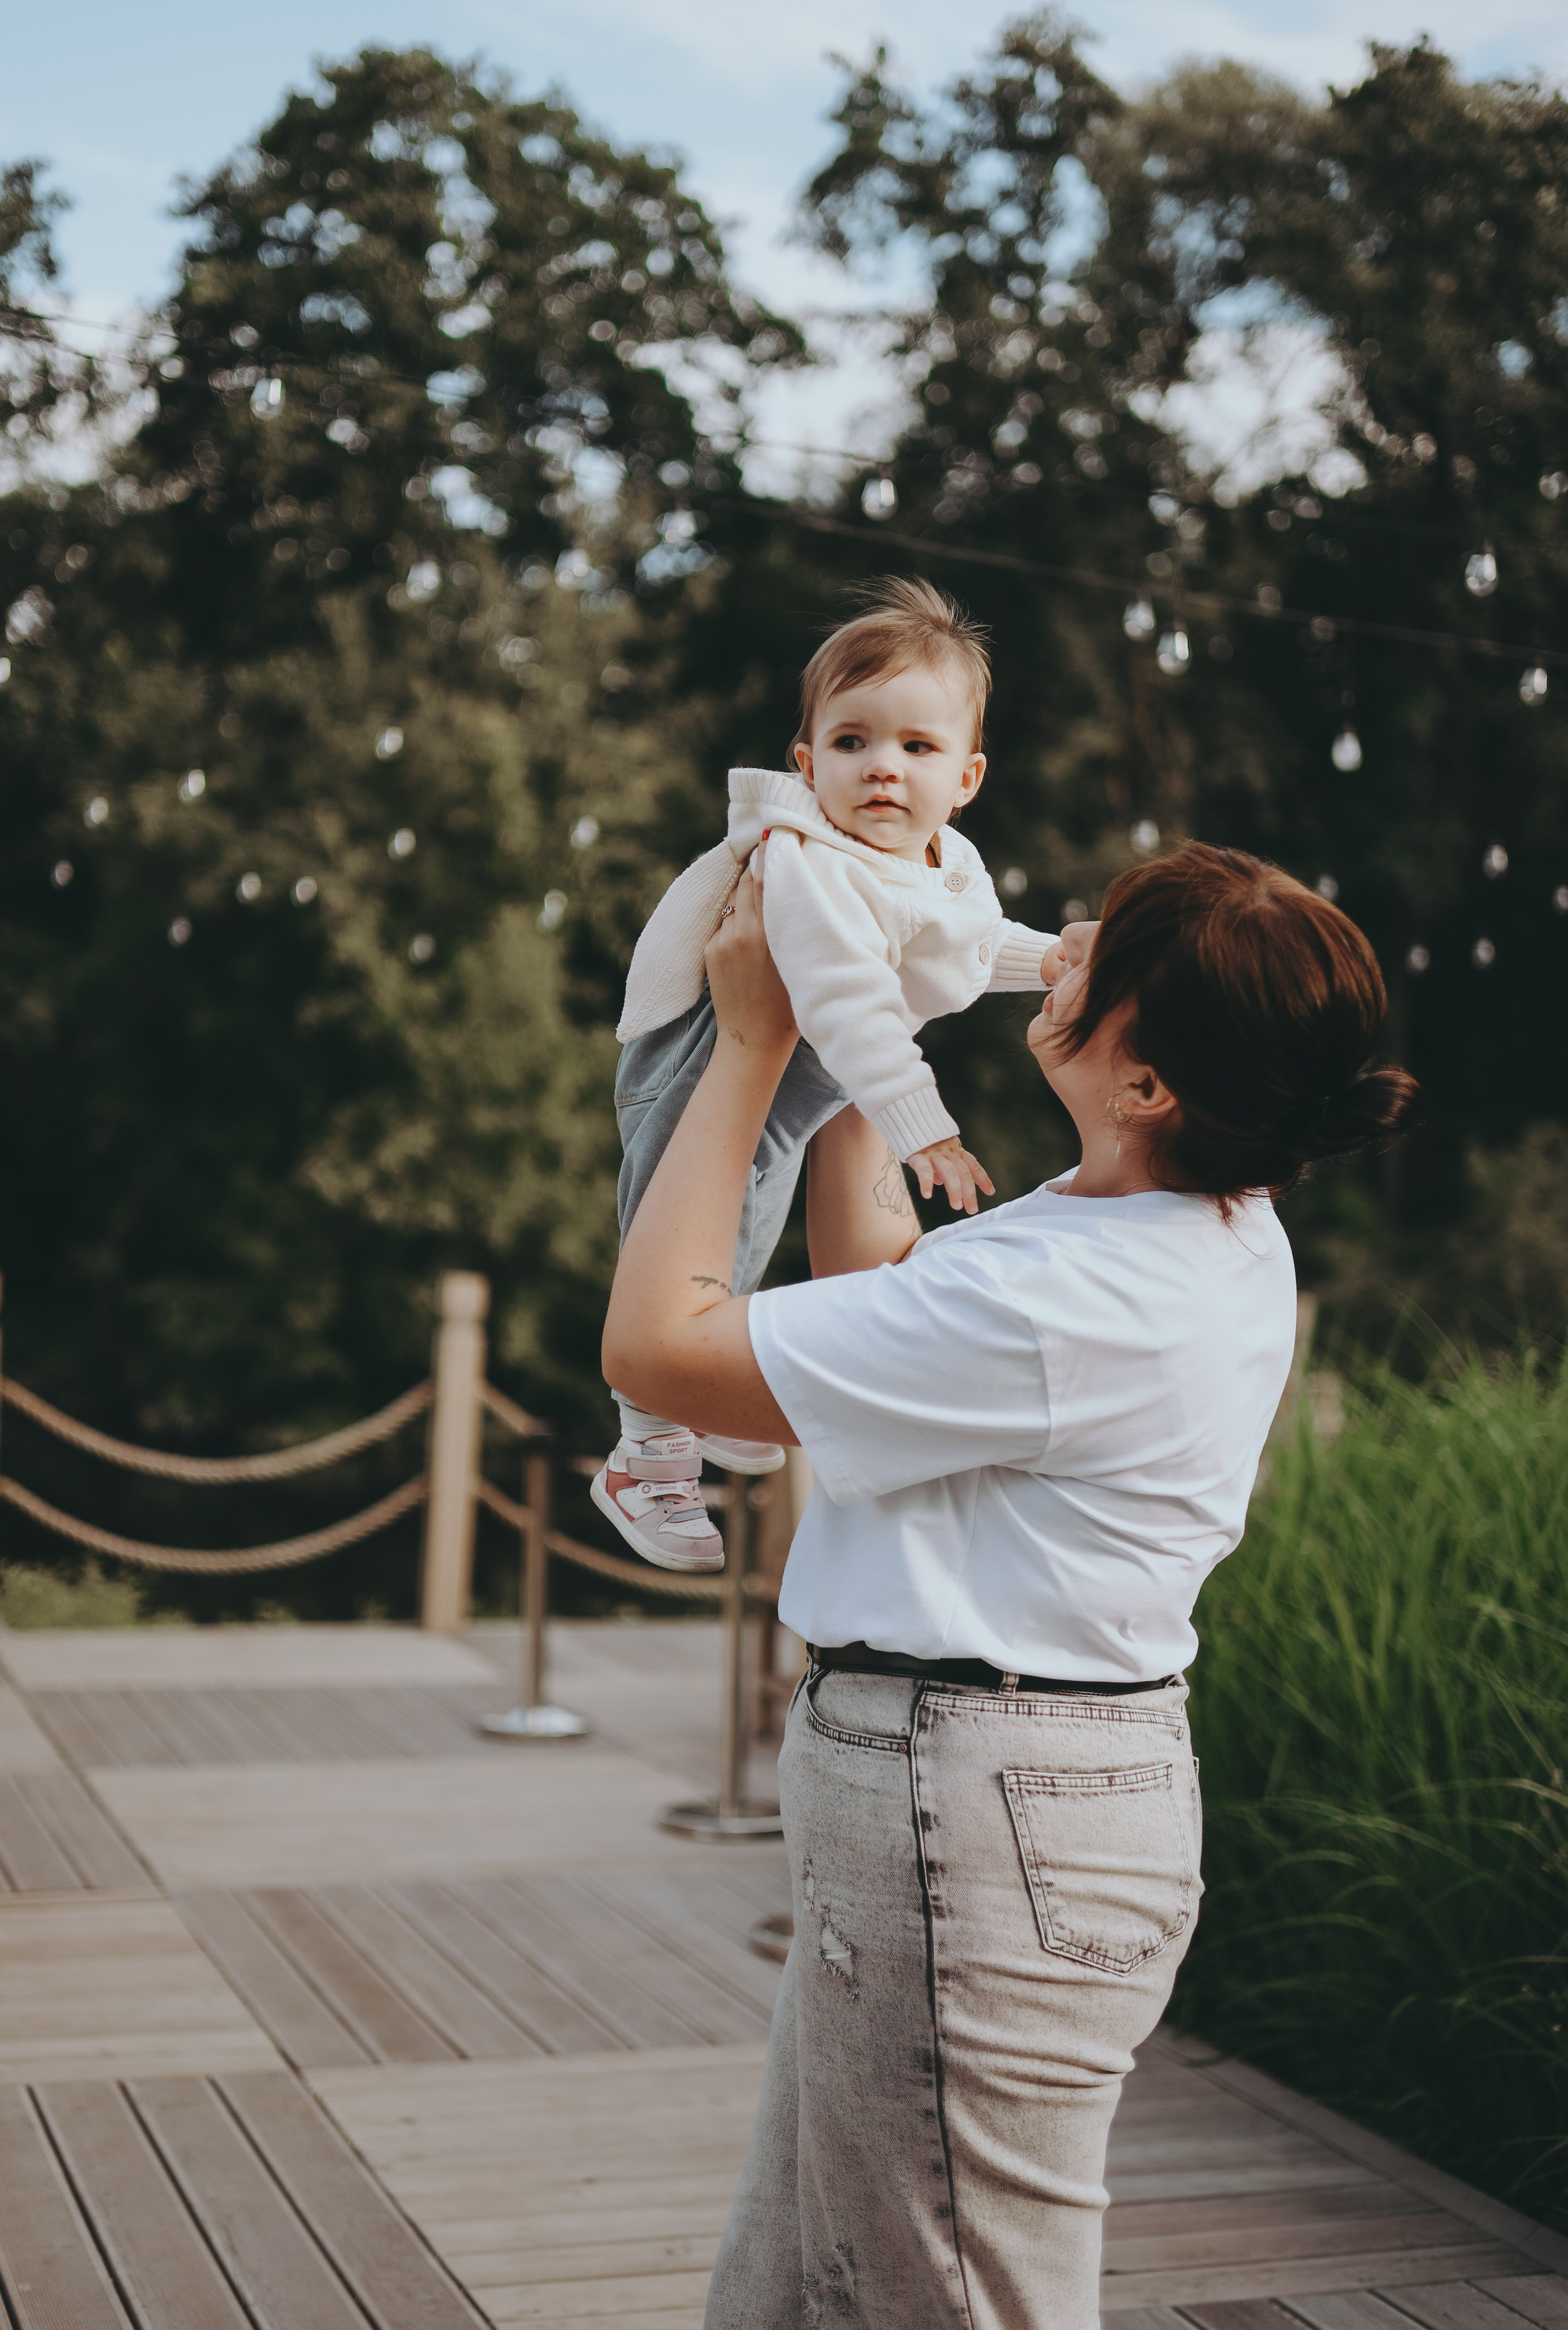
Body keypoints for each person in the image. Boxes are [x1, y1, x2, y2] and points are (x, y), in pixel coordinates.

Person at [601, 839, 1419, 2330]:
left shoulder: (1065, 1294)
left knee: (951, 2300)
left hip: (971, 1814)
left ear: (1148, 1084)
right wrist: (866, 1028)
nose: (1074, 938)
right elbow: (884, 1294)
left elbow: (660, 1348)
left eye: (1114, 952)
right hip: (1007, 1796)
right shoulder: (1165, 1228)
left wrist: (748, 1043)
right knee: (794, 2290)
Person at [593, 579, 1059, 1574]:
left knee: (751, 1208)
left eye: (916, 748)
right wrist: (918, 1126)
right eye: (852, 743)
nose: (882, 770)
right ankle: (647, 1451)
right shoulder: (813, 861)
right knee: (710, 1221)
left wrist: (1054, 958)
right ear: (807, 762)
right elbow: (851, 999)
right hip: (699, 1052)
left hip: (792, 1076)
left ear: (968, 777)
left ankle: (709, 1399)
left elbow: (968, 945)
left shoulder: (942, 862)